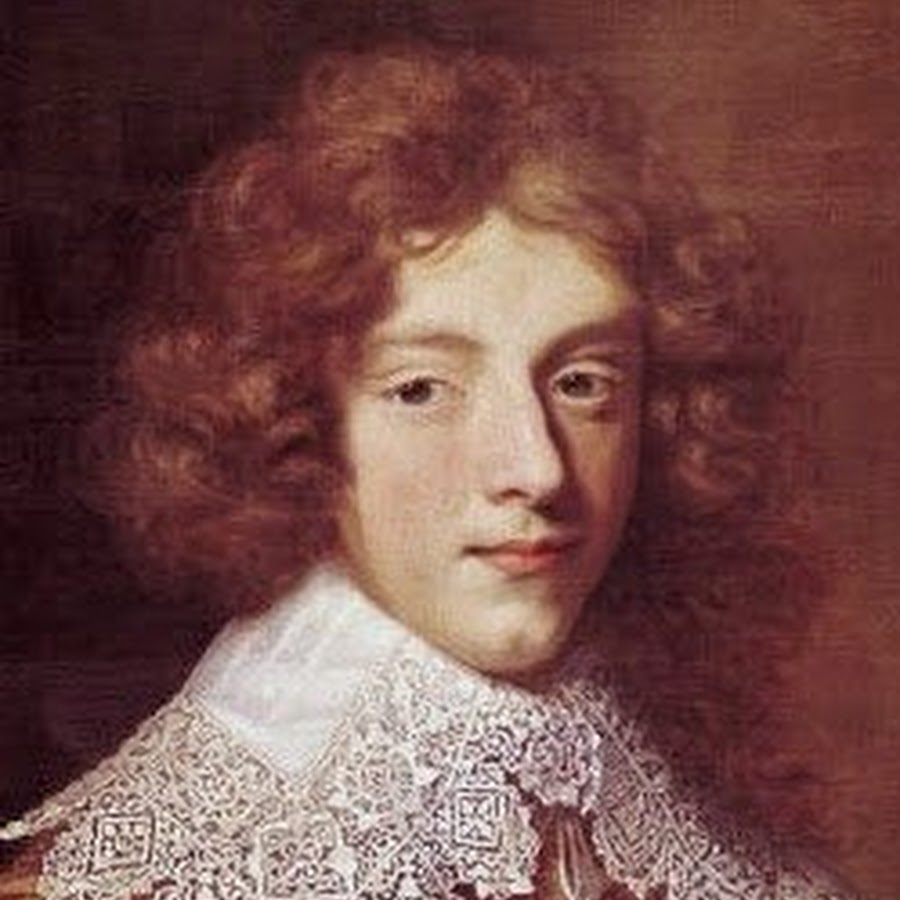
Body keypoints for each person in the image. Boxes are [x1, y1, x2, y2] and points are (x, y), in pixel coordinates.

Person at [0, 42, 859, 899]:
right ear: (299, 422)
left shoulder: (690, 818)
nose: (538, 470)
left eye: (582, 382)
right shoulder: (148, 873)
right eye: (421, 389)